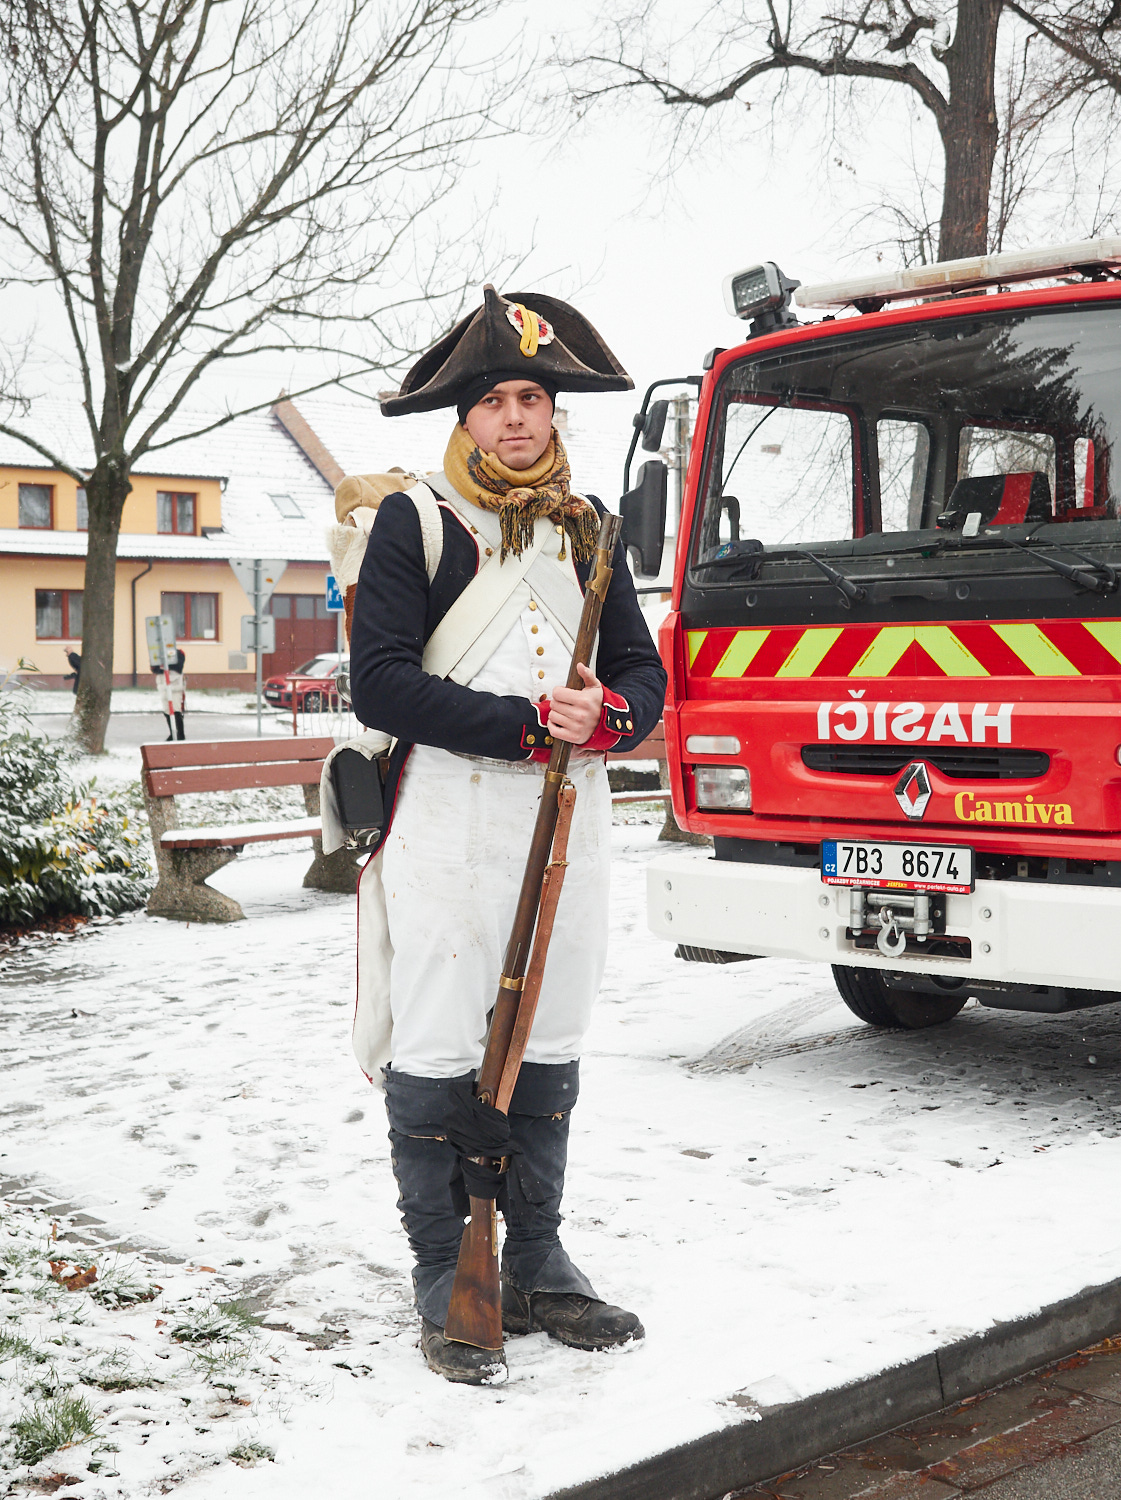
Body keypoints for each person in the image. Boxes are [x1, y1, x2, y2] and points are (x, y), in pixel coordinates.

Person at [349, 286, 667, 1385]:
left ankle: (534, 1257)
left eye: (533, 397)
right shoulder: (418, 521)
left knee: (551, 1027)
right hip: (448, 817)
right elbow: (381, 683)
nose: (518, 418)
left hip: (565, 820)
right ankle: (447, 1268)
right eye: (495, 402)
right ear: (465, 420)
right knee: (441, 1034)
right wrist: (527, 726)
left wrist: (610, 717)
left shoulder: (585, 531)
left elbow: (639, 670)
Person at [151, 646, 186, 740]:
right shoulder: (157, 653)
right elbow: (154, 668)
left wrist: (165, 665)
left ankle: (180, 735)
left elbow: (178, 666)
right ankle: (173, 733)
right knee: (167, 710)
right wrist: (165, 666)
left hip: (175, 685)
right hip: (163, 685)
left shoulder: (178, 653)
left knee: (176, 710)